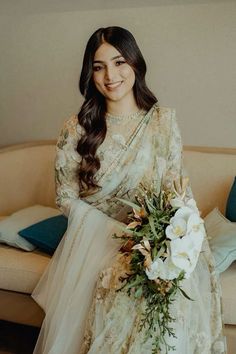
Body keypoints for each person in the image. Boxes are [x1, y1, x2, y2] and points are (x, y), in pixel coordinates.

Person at [32, 26, 226, 354]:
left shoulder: (163, 123)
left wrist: (188, 243)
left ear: (135, 63)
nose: (111, 75)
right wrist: (118, 236)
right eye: (99, 66)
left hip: (153, 244)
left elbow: (176, 190)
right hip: (97, 242)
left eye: (119, 62)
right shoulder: (77, 127)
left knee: (172, 291)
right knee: (119, 291)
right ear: (89, 73)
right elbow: (66, 197)